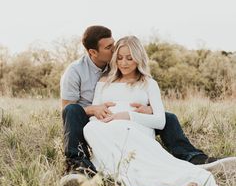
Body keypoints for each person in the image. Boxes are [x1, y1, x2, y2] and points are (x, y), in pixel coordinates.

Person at [60, 25, 230, 177]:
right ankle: (77, 165)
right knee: (72, 110)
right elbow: (67, 108)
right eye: (109, 47)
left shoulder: (118, 63)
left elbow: (137, 89)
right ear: (93, 52)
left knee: (168, 118)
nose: (115, 51)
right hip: (89, 118)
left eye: (114, 45)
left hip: (128, 119)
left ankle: (194, 158)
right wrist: (93, 110)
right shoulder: (75, 72)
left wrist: (148, 109)